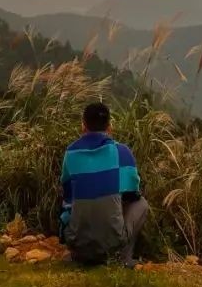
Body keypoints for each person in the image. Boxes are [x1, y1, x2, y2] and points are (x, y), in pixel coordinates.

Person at [60, 102, 148, 268]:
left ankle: (80, 253)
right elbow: (133, 192)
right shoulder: (121, 152)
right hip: (110, 243)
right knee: (140, 203)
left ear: (83, 126)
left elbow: (67, 194)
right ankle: (123, 258)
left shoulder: (70, 153)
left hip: (76, 242)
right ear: (109, 127)